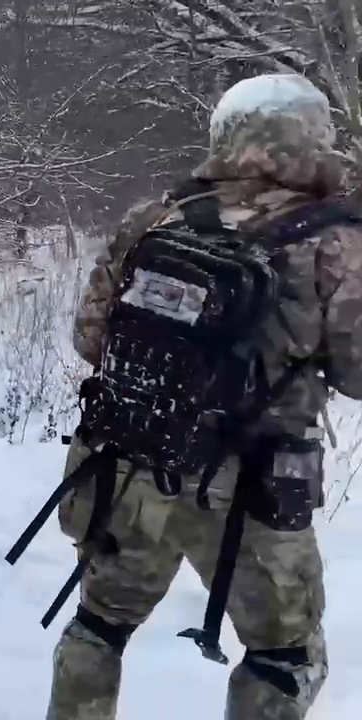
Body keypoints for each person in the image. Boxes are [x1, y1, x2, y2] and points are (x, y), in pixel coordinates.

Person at [44, 73, 362, 719]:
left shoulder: (157, 216)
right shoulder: (337, 240)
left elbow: (90, 339)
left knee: (100, 624)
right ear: (315, 136)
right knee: (284, 655)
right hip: (252, 484)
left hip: (128, 459)